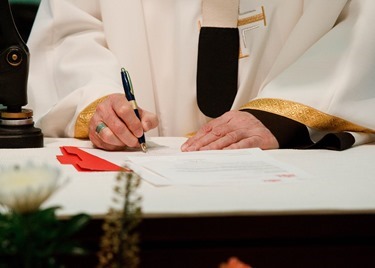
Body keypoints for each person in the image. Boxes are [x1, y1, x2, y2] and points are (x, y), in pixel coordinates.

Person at [26, 0, 375, 151]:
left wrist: (281, 116)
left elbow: (363, 25)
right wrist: (98, 99)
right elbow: (69, 31)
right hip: (140, 165)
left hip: (288, 160)